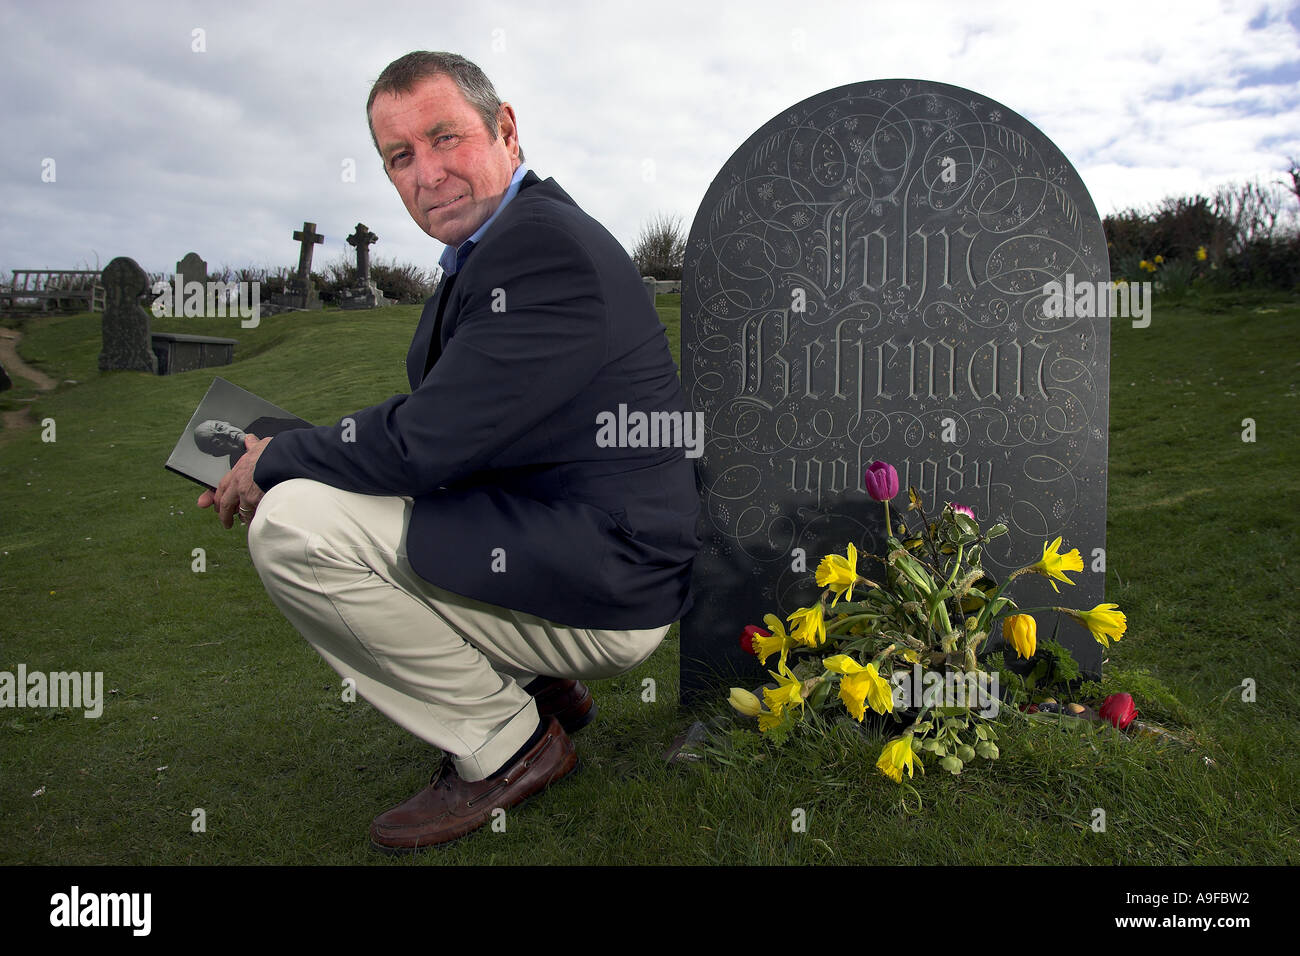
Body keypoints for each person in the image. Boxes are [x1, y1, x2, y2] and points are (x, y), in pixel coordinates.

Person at [196, 51, 700, 851]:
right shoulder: (496, 247)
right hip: (561, 540)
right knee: (324, 497)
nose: (427, 174)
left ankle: (507, 744)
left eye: (445, 139)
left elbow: (424, 445)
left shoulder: (542, 251)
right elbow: (447, 424)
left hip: (610, 579)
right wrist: (286, 445)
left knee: (292, 526)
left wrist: (277, 466)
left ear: (506, 130)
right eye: (401, 156)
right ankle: (541, 686)